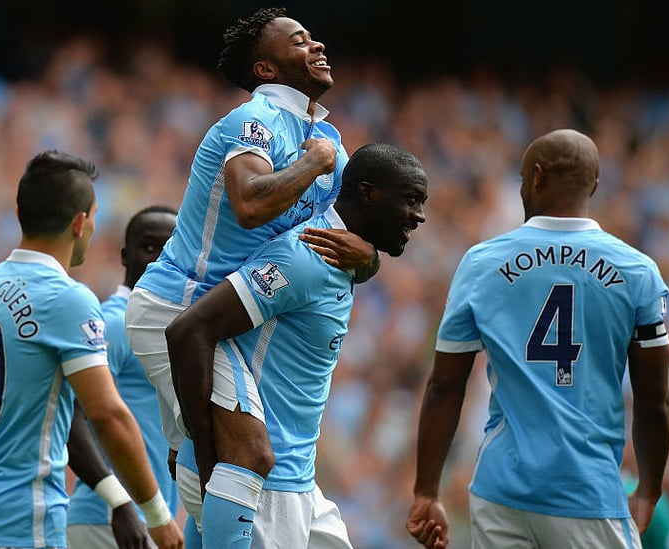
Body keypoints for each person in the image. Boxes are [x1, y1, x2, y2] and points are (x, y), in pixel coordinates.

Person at [125, 6, 377, 529]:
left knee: (211, 468)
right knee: (247, 455)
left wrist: (370, 258)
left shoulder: (324, 137)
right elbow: (248, 202)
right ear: (265, 69)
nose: (317, 46)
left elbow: (357, 231)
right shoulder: (254, 121)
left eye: (314, 36)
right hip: (182, 308)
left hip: (224, 319)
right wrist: (313, 163)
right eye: (299, 41)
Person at [407, 129, 669, 549]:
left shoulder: (481, 264)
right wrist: (649, 489)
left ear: (535, 177)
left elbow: (445, 384)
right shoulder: (636, 271)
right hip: (588, 491)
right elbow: (654, 400)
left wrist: (427, 491)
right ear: (595, 184)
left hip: (501, 491)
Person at [0, 151, 183, 549]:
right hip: (27, 523)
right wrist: (156, 514)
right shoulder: (68, 301)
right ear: (80, 223)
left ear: (19, 214)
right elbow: (107, 415)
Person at [167, 143, 429, 547]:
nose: (420, 215)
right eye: (411, 200)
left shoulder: (343, 257)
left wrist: (371, 260)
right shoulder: (304, 257)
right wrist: (204, 451)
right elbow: (191, 330)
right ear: (368, 194)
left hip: (298, 480)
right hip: (261, 483)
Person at [67, 205, 181, 548]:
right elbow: (73, 417)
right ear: (124, 255)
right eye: (148, 248)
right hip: (110, 522)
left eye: (171, 249)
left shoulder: (167, 328)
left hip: (151, 519)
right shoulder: (113, 322)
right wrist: (119, 502)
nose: (159, 259)